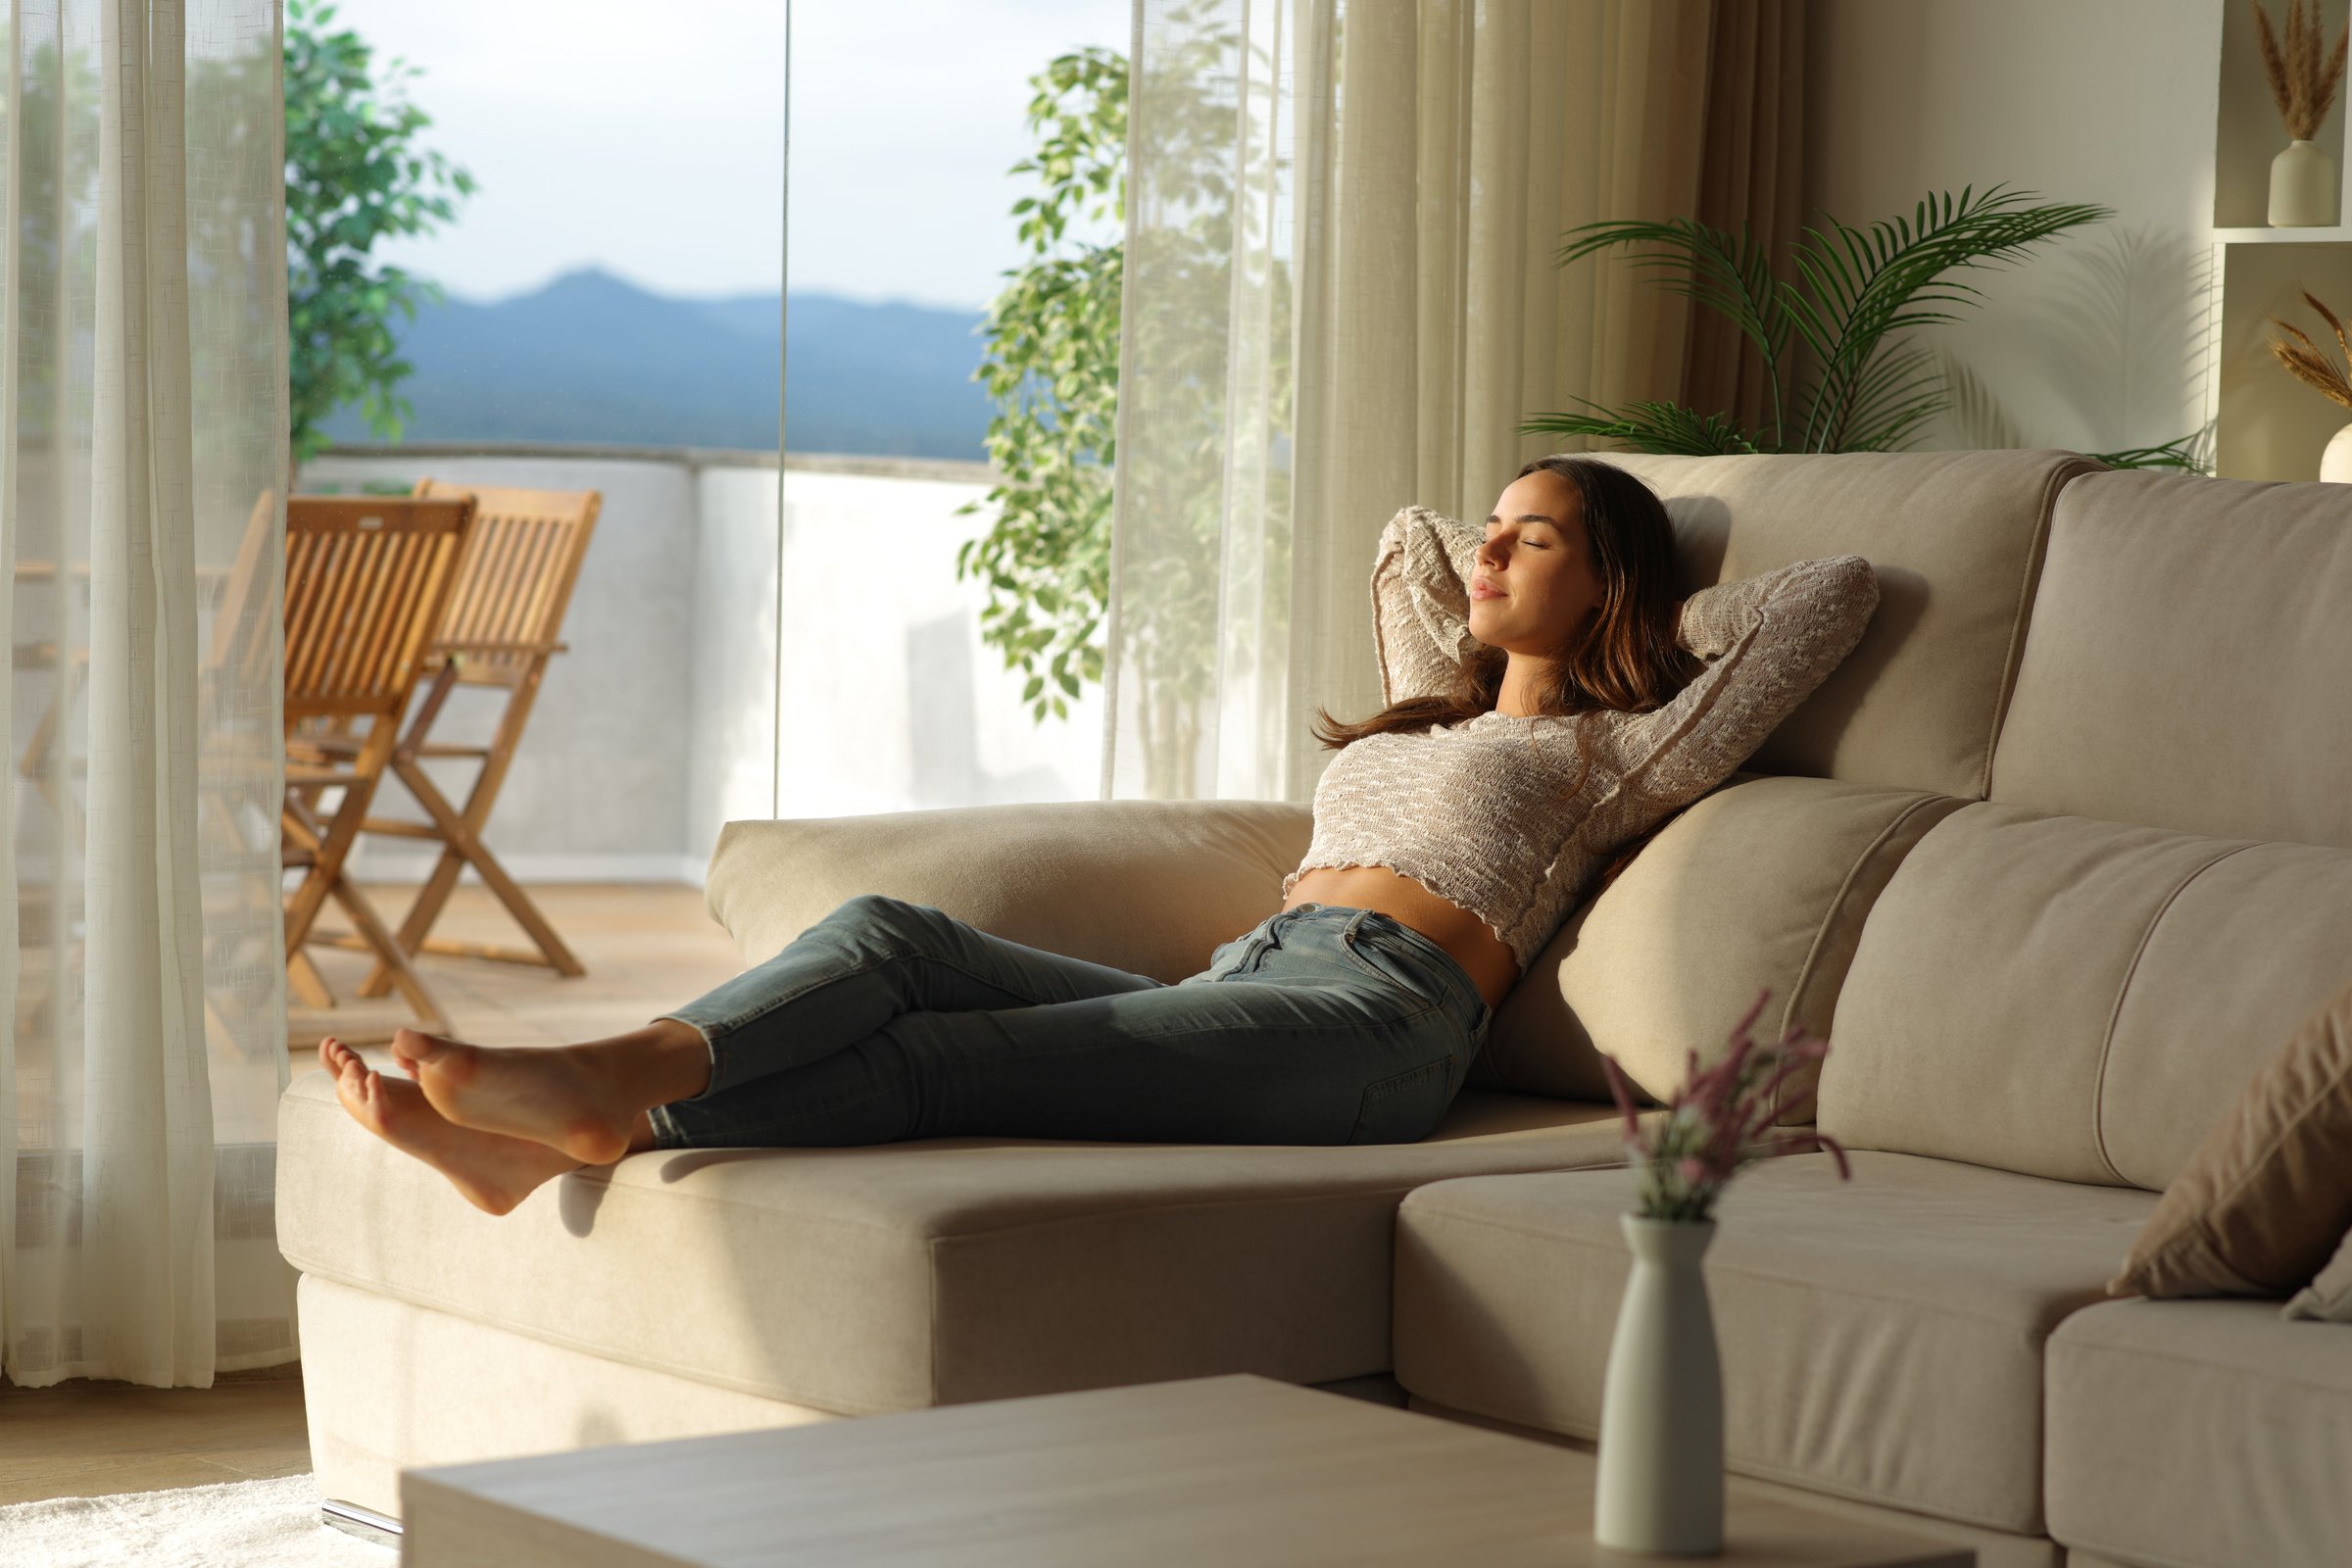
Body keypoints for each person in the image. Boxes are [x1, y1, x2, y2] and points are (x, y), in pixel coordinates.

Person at [321, 455, 1880, 1215]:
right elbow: (1408, 543)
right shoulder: (1435, 717)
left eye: (1529, 539)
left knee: (948, 1065)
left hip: (1375, 1028)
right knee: (888, 939)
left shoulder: (1615, 748)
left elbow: (1829, 599)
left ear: (1610, 584)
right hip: (1247, 979)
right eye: (1494, 525)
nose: (1479, 549)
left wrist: (1645, 574)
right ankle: (593, 1100)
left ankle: (611, 1103)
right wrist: (1506, 555)